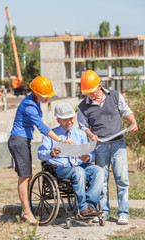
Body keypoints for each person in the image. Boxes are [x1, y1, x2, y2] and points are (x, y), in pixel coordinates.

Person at [8, 76, 72, 225]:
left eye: (48, 94)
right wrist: (61, 140)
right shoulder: (29, 105)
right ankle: (26, 212)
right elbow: (42, 127)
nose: (47, 97)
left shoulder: (35, 102)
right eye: (44, 95)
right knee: (24, 176)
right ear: (35, 92)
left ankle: (26, 210)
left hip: (23, 140)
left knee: (27, 175)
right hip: (19, 140)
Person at [77, 70, 138, 225]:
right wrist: (91, 135)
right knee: (102, 180)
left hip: (118, 143)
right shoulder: (83, 107)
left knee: (122, 179)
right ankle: (104, 211)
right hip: (100, 146)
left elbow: (126, 111)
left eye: (92, 91)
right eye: (87, 92)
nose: (90, 95)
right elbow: (83, 127)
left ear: (100, 86)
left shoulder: (115, 96)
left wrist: (133, 122)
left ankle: (123, 213)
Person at [38, 101, 104, 217]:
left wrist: (88, 157)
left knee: (98, 171)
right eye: (65, 120)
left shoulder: (80, 134)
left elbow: (92, 153)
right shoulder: (51, 135)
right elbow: (40, 154)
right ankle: (82, 208)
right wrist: (51, 153)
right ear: (58, 120)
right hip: (60, 168)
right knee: (79, 171)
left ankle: (90, 205)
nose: (69, 122)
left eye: (71, 119)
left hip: (79, 165)